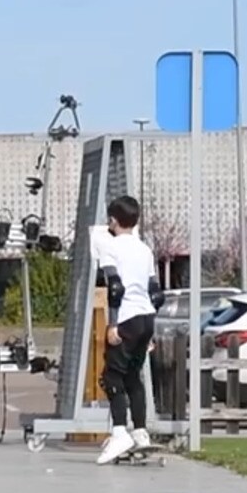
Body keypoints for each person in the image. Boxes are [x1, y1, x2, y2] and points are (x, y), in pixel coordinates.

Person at [94, 194, 164, 465]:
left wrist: (112, 324)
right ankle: (141, 431)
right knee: (133, 376)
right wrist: (151, 334)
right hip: (146, 318)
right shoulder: (144, 249)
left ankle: (120, 431)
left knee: (111, 377)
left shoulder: (109, 247)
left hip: (126, 318)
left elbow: (115, 287)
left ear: (112, 220)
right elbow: (155, 293)